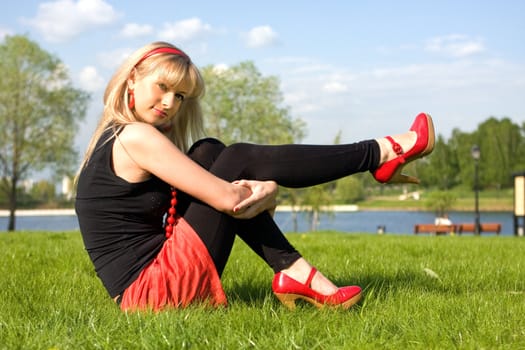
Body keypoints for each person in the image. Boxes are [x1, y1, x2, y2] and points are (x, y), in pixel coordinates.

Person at [75, 41, 435, 312]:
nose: (170, 103)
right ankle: (381, 152)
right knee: (239, 157)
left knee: (209, 152)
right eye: (163, 87)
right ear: (133, 79)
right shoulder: (135, 136)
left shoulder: (116, 136)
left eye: (180, 96)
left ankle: (294, 270)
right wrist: (268, 190)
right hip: (155, 292)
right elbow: (230, 201)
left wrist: (256, 190)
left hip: (152, 283)